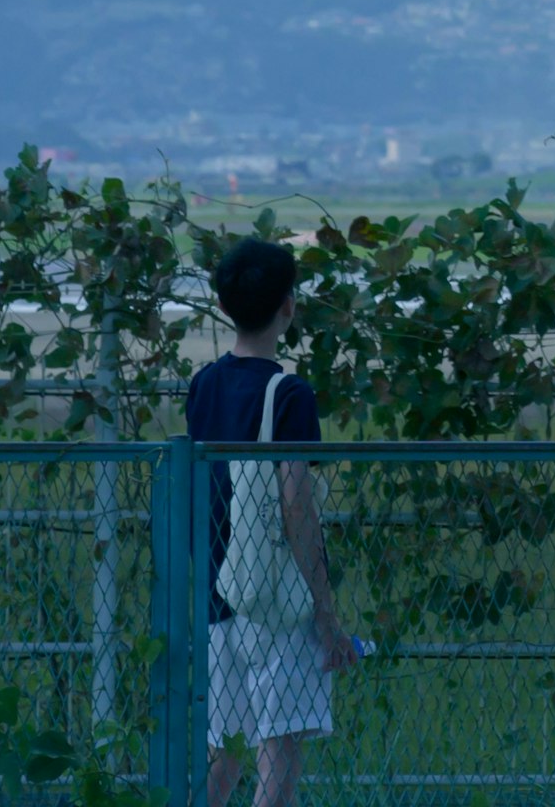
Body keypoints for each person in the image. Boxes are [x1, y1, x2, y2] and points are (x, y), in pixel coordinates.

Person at [188, 237, 361, 807]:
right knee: (279, 748)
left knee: (226, 747)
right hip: (276, 599)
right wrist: (326, 611)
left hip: (217, 591)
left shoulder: (204, 385)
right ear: (288, 304)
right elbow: (295, 504)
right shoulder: (289, 394)